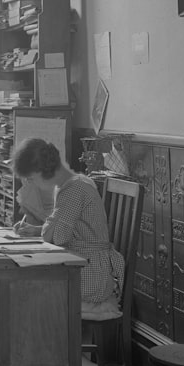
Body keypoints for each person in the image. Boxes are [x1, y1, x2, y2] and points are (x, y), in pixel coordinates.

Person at [11, 137, 124, 320]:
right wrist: (38, 229)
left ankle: (50, 345)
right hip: (89, 264)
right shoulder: (74, 182)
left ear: (43, 172)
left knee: (27, 291)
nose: (30, 184)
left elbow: (57, 238)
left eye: (31, 178)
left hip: (92, 275)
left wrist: (46, 226)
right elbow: (60, 230)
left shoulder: (73, 190)